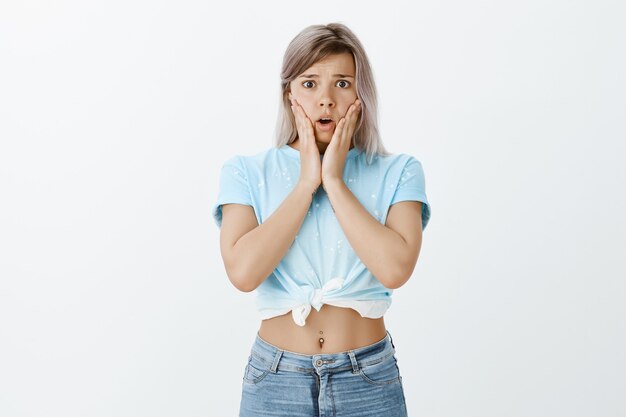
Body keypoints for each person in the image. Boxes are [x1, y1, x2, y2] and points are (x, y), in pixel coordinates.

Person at [212, 22, 431, 417]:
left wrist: (333, 180)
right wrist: (306, 184)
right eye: (310, 83)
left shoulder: (399, 170)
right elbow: (243, 274)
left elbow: (395, 269)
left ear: (361, 94)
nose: (326, 99)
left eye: (342, 83)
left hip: (367, 378)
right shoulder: (245, 171)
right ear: (289, 94)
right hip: (276, 380)